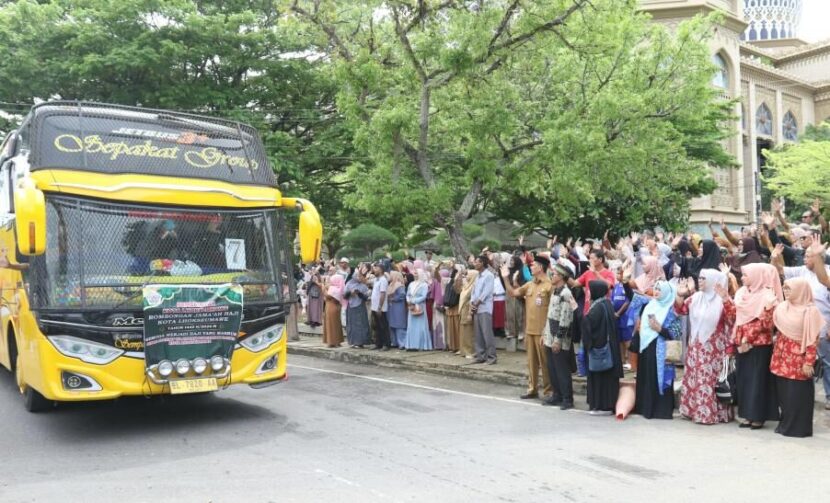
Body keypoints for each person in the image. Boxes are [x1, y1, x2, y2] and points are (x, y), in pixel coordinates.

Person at [771, 238, 830, 411]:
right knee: (803, 363)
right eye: (805, 255)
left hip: (822, 325)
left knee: (826, 363)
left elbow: (823, 279)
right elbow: (781, 271)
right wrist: (775, 258)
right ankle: (805, 395)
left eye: (809, 256)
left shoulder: (827, 271)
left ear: (819, 257)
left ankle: (829, 395)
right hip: (799, 328)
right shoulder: (801, 271)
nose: (805, 258)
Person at [675, 270, 735, 425]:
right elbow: (680, 310)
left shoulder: (722, 301)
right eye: (699, 278)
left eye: (703, 278)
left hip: (713, 349)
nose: (700, 281)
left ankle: (709, 414)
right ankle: (692, 411)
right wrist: (680, 294)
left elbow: (732, 319)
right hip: (695, 347)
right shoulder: (695, 298)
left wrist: (726, 299)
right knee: (694, 378)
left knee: (708, 380)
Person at [770, 278, 822, 437]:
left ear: (800, 290)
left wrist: (809, 362)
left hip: (798, 360)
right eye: (784, 288)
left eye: (789, 289)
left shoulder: (810, 311)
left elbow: (812, 339)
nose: (785, 291)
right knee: (784, 394)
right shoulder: (783, 307)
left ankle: (798, 428)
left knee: (797, 394)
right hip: (781, 356)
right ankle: (785, 425)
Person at [733, 263, 782, 429]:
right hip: (742, 343)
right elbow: (736, 315)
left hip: (760, 346)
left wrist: (749, 336)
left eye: (745, 275)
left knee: (757, 381)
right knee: (744, 380)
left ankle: (758, 416)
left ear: (756, 276)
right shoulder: (742, 294)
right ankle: (747, 414)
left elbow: (767, 323)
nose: (742, 278)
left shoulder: (767, 295)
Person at [501, 255, 553, 399]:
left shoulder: (549, 286)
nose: (530, 267)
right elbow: (513, 293)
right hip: (530, 331)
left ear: (541, 267)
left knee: (545, 363)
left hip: (543, 332)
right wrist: (505, 278)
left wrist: (547, 332)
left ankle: (549, 391)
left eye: (533, 265)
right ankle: (532, 389)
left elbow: (553, 312)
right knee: (531, 363)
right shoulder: (530, 285)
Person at [631, 280, 681, 419]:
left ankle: (660, 410)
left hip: (661, 350)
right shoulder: (649, 305)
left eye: (660, 290)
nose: (657, 292)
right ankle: (644, 408)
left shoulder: (671, 310)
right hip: (646, 347)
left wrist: (660, 329)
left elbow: (676, 333)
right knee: (646, 376)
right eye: (656, 289)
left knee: (658, 377)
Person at [582, 280, 623, 415]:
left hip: (600, 349)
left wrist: (576, 310)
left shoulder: (598, 307)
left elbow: (588, 324)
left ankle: (602, 407)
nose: (588, 293)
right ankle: (607, 405)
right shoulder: (606, 304)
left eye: (590, 290)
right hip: (609, 348)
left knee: (600, 378)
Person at [541, 260, 576, 410]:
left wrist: (558, 340)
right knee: (552, 368)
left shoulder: (566, 293)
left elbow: (565, 319)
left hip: (560, 338)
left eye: (554, 274)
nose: (552, 275)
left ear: (561, 277)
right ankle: (557, 395)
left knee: (562, 370)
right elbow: (550, 315)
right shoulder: (555, 290)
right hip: (550, 334)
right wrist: (545, 333)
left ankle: (567, 398)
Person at [471, 255, 497, 364]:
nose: (475, 264)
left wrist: (476, 303)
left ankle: (492, 357)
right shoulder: (477, 276)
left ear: (482, 263)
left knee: (487, 334)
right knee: (478, 334)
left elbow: (486, 292)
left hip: (485, 308)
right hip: (477, 308)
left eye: (477, 262)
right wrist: (472, 303)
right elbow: (474, 291)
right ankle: (480, 355)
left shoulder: (489, 276)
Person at [574, 249, 615, 315]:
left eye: (592, 258)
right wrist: (565, 276)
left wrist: (595, 273)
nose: (589, 260)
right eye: (589, 258)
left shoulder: (609, 273)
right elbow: (574, 283)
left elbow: (608, 286)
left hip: (602, 312)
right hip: (588, 312)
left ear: (600, 259)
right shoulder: (588, 273)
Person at [405, 269, 433, 351]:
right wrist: (408, 300)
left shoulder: (424, 285)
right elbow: (408, 294)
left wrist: (414, 301)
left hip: (420, 306)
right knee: (411, 326)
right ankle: (412, 345)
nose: (415, 274)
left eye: (416, 273)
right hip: (411, 306)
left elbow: (424, 296)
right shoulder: (411, 284)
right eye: (414, 273)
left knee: (420, 326)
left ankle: (421, 345)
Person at [344, 268, 371, 348]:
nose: (359, 278)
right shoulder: (348, 284)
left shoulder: (363, 286)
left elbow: (366, 297)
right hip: (351, 306)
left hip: (360, 306)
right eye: (357, 276)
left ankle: (360, 342)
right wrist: (350, 293)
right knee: (352, 325)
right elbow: (344, 296)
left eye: (360, 276)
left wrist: (359, 293)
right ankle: (352, 341)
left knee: (360, 324)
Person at [505, 255, 527, 340]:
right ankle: (511, 332)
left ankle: (521, 332)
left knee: (519, 313)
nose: (511, 262)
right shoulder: (509, 271)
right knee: (509, 313)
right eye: (511, 261)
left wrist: (515, 283)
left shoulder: (521, 271)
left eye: (513, 261)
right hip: (509, 294)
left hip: (519, 294)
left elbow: (523, 284)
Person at [370, 263, 391, 351]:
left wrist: (379, 307)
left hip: (380, 308)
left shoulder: (383, 280)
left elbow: (382, 294)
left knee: (383, 326)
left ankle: (386, 344)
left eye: (376, 268)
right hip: (374, 307)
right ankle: (378, 343)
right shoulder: (376, 280)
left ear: (381, 270)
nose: (374, 270)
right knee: (376, 326)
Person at [458, 269, 478, 359]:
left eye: (469, 274)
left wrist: (470, 312)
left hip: (468, 309)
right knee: (463, 331)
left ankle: (470, 351)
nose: (467, 276)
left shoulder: (474, 286)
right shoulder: (466, 286)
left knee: (469, 332)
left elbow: (472, 299)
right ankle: (463, 350)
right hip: (462, 310)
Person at [387, 271, 408, 349]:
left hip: (398, 308)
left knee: (399, 325)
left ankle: (402, 343)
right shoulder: (391, 285)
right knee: (392, 325)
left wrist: (393, 299)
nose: (390, 276)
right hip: (392, 308)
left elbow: (402, 295)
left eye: (392, 275)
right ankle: (394, 342)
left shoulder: (399, 285)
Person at [322, 274, 344, 348]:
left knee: (331, 325)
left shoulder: (333, 289)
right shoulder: (340, 288)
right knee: (337, 324)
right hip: (337, 307)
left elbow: (327, 295)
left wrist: (323, 288)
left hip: (331, 307)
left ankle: (332, 342)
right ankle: (337, 341)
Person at [444, 267, 462, 353]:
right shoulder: (454, 283)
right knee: (454, 328)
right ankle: (455, 347)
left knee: (454, 328)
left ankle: (456, 347)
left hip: (452, 307)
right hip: (455, 307)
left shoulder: (449, 283)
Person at [431, 268, 447, 350]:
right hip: (443, 305)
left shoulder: (438, 281)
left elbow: (432, 294)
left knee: (437, 325)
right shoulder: (446, 281)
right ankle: (443, 344)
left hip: (437, 304)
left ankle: (438, 344)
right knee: (442, 325)